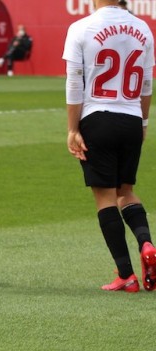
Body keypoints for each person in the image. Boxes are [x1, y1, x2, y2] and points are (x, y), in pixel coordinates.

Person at [63, 0, 156, 292]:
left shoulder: (80, 27)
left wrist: (72, 128)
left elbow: (74, 82)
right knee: (125, 192)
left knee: (105, 198)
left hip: (97, 118)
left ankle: (127, 276)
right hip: (131, 118)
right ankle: (147, 244)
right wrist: (142, 123)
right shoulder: (143, 28)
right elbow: (146, 83)